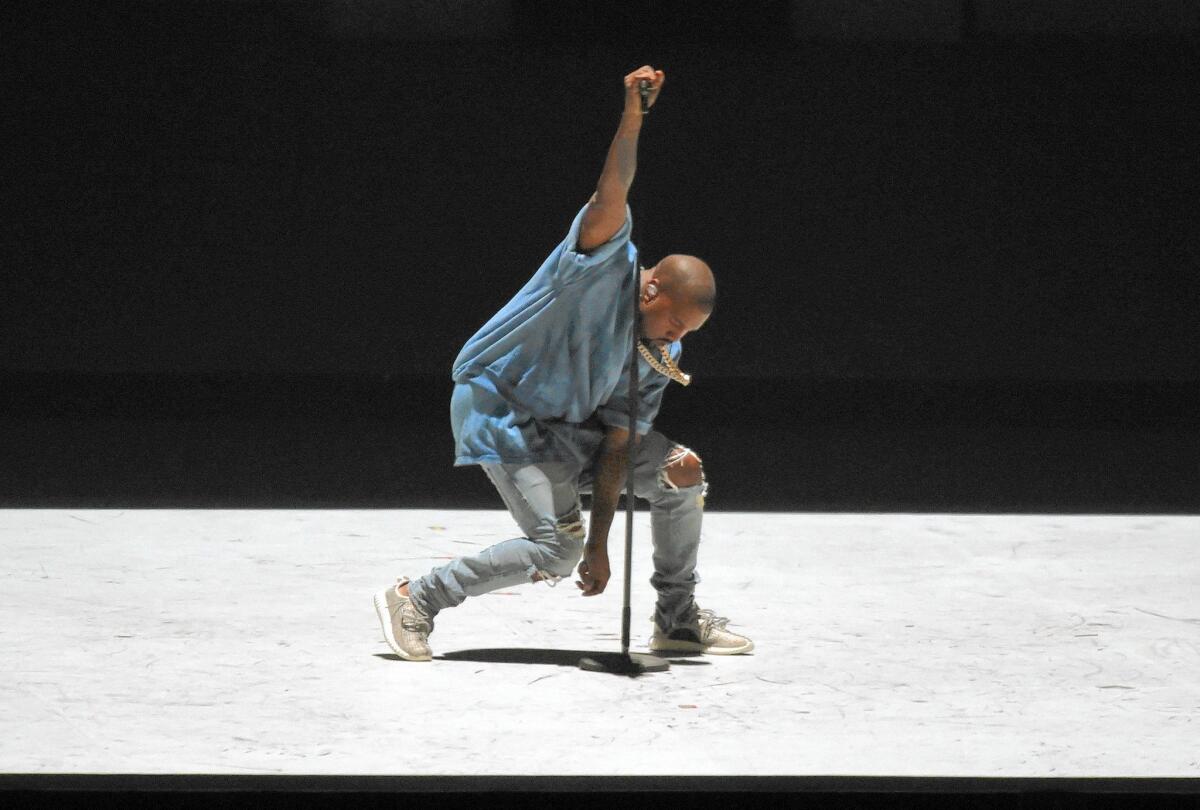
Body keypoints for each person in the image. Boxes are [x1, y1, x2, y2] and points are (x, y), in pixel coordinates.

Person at [374, 65, 752, 662]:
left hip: (571, 430)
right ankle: (417, 597)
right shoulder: (600, 268)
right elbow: (613, 191)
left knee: (681, 473)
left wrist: (603, 537)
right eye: (676, 322)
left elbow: (620, 444)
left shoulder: (659, 352)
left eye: (689, 332)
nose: (679, 338)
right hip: (504, 411)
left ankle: (676, 618)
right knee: (556, 552)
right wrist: (633, 117)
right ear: (651, 289)